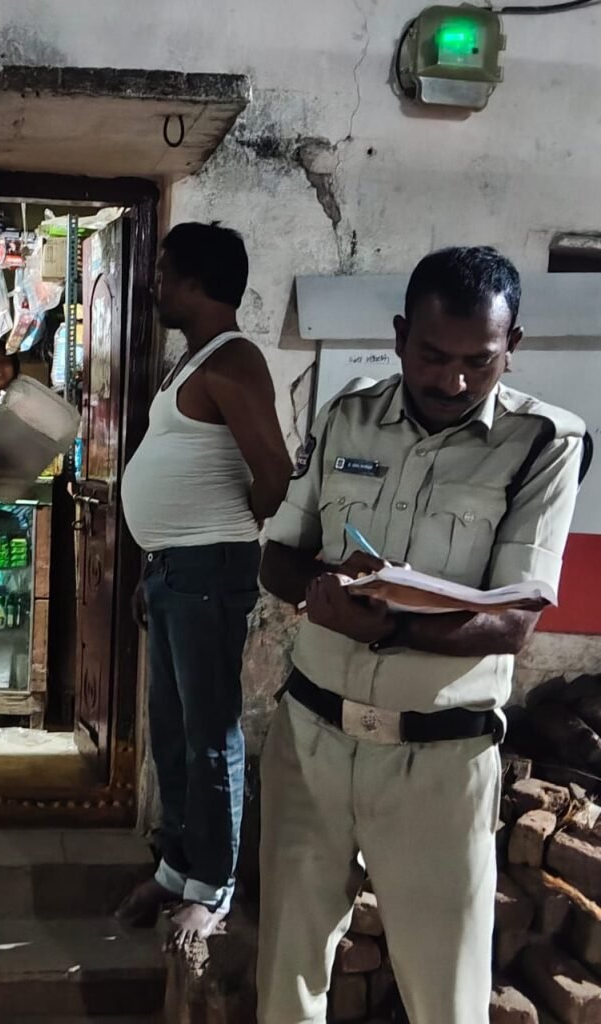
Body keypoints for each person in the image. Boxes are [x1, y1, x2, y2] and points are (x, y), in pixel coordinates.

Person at [257, 247, 584, 1023]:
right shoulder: (348, 413)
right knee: (287, 981)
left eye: (479, 361)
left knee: (446, 994)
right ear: (402, 335)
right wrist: (321, 593)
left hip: (439, 762)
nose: (454, 381)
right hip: (311, 741)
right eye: (434, 356)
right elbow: (278, 558)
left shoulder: (544, 442)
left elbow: (513, 622)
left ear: (512, 346)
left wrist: (390, 624)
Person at [116, 222, 293, 946]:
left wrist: (225, 531)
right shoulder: (192, 361)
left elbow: (274, 472)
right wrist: (157, 560)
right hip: (174, 571)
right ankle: (178, 866)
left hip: (206, 571)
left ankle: (214, 884)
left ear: (194, 283)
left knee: (210, 734)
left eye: (163, 274)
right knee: (171, 731)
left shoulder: (233, 359)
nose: (155, 285)